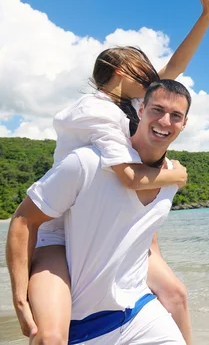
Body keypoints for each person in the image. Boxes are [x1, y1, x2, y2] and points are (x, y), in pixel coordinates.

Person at [13, 0, 209, 344]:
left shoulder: (129, 105)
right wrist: (177, 175)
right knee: (52, 335)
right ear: (122, 72)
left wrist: (206, 16)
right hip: (61, 229)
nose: (154, 78)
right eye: (145, 72)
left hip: (114, 219)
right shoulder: (96, 111)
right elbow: (127, 177)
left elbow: (176, 70)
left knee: (175, 295)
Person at [7, 80, 192, 344]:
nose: (165, 121)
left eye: (175, 116)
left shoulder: (171, 177)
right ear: (141, 111)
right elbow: (24, 220)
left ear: (185, 124)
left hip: (139, 312)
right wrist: (19, 298)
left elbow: (146, 228)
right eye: (157, 110)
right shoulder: (87, 163)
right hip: (83, 324)